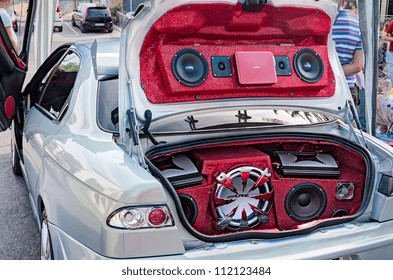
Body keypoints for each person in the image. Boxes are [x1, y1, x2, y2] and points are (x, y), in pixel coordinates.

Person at [332, 0, 363, 107]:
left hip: (320, 88)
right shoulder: (357, 27)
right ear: (343, 2)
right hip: (347, 87)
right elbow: (357, 66)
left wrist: (325, 74)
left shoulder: (315, 24)